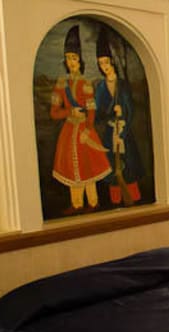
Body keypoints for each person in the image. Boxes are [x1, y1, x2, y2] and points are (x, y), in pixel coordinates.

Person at [50, 25, 111, 214]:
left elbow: (92, 109)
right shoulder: (60, 84)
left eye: (74, 58)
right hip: (69, 131)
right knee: (70, 168)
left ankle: (93, 203)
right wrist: (69, 112)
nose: (71, 62)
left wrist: (87, 129)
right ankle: (76, 204)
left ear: (80, 60)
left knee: (88, 166)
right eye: (68, 58)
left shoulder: (86, 84)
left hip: (85, 129)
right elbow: (54, 113)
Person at [93, 26, 143, 205]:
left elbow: (131, 108)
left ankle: (134, 200)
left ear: (112, 62)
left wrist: (123, 119)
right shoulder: (100, 87)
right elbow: (98, 113)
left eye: (106, 62)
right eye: (101, 64)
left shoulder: (122, 85)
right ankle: (115, 203)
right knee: (113, 171)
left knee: (129, 167)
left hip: (124, 132)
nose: (104, 67)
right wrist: (109, 112)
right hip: (109, 133)